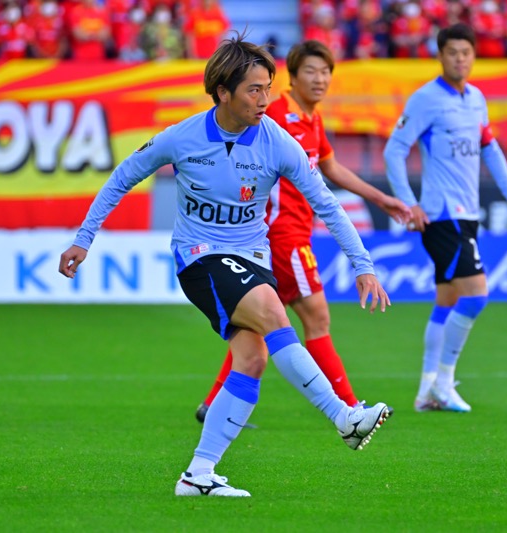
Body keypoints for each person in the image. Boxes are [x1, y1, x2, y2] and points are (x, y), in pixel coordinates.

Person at [58, 32, 392, 498]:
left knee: (252, 359)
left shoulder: (277, 141)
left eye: (268, 88)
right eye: (254, 90)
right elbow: (122, 178)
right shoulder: (182, 137)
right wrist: (84, 238)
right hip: (199, 257)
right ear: (222, 93)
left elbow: (328, 205)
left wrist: (363, 264)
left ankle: (198, 475)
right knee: (277, 316)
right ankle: (343, 416)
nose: (265, 100)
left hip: (252, 258)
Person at [195, 40, 411, 422]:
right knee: (315, 318)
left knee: (259, 323)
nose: (320, 79)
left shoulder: (312, 118)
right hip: (281, 234)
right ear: (291, 77)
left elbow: (331, 169)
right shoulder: (272, 113)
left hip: (289, 235)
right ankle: (347, 406)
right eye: (311, 71)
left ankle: (214, 402)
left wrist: (381, 198)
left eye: (326, 72)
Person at [383, 23, 507, 413]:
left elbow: (490, 149)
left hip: (466, 215)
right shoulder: (425, 99)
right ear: (440, 55)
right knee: (477, 295)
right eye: (452, 52)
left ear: (473, 55)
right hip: (440, 215)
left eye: (466, 52)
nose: (460, 59)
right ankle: (444, 384)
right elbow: (393, 151)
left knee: (447, 299)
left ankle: (426, 390)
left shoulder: (476, 99)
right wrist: (407, 202)